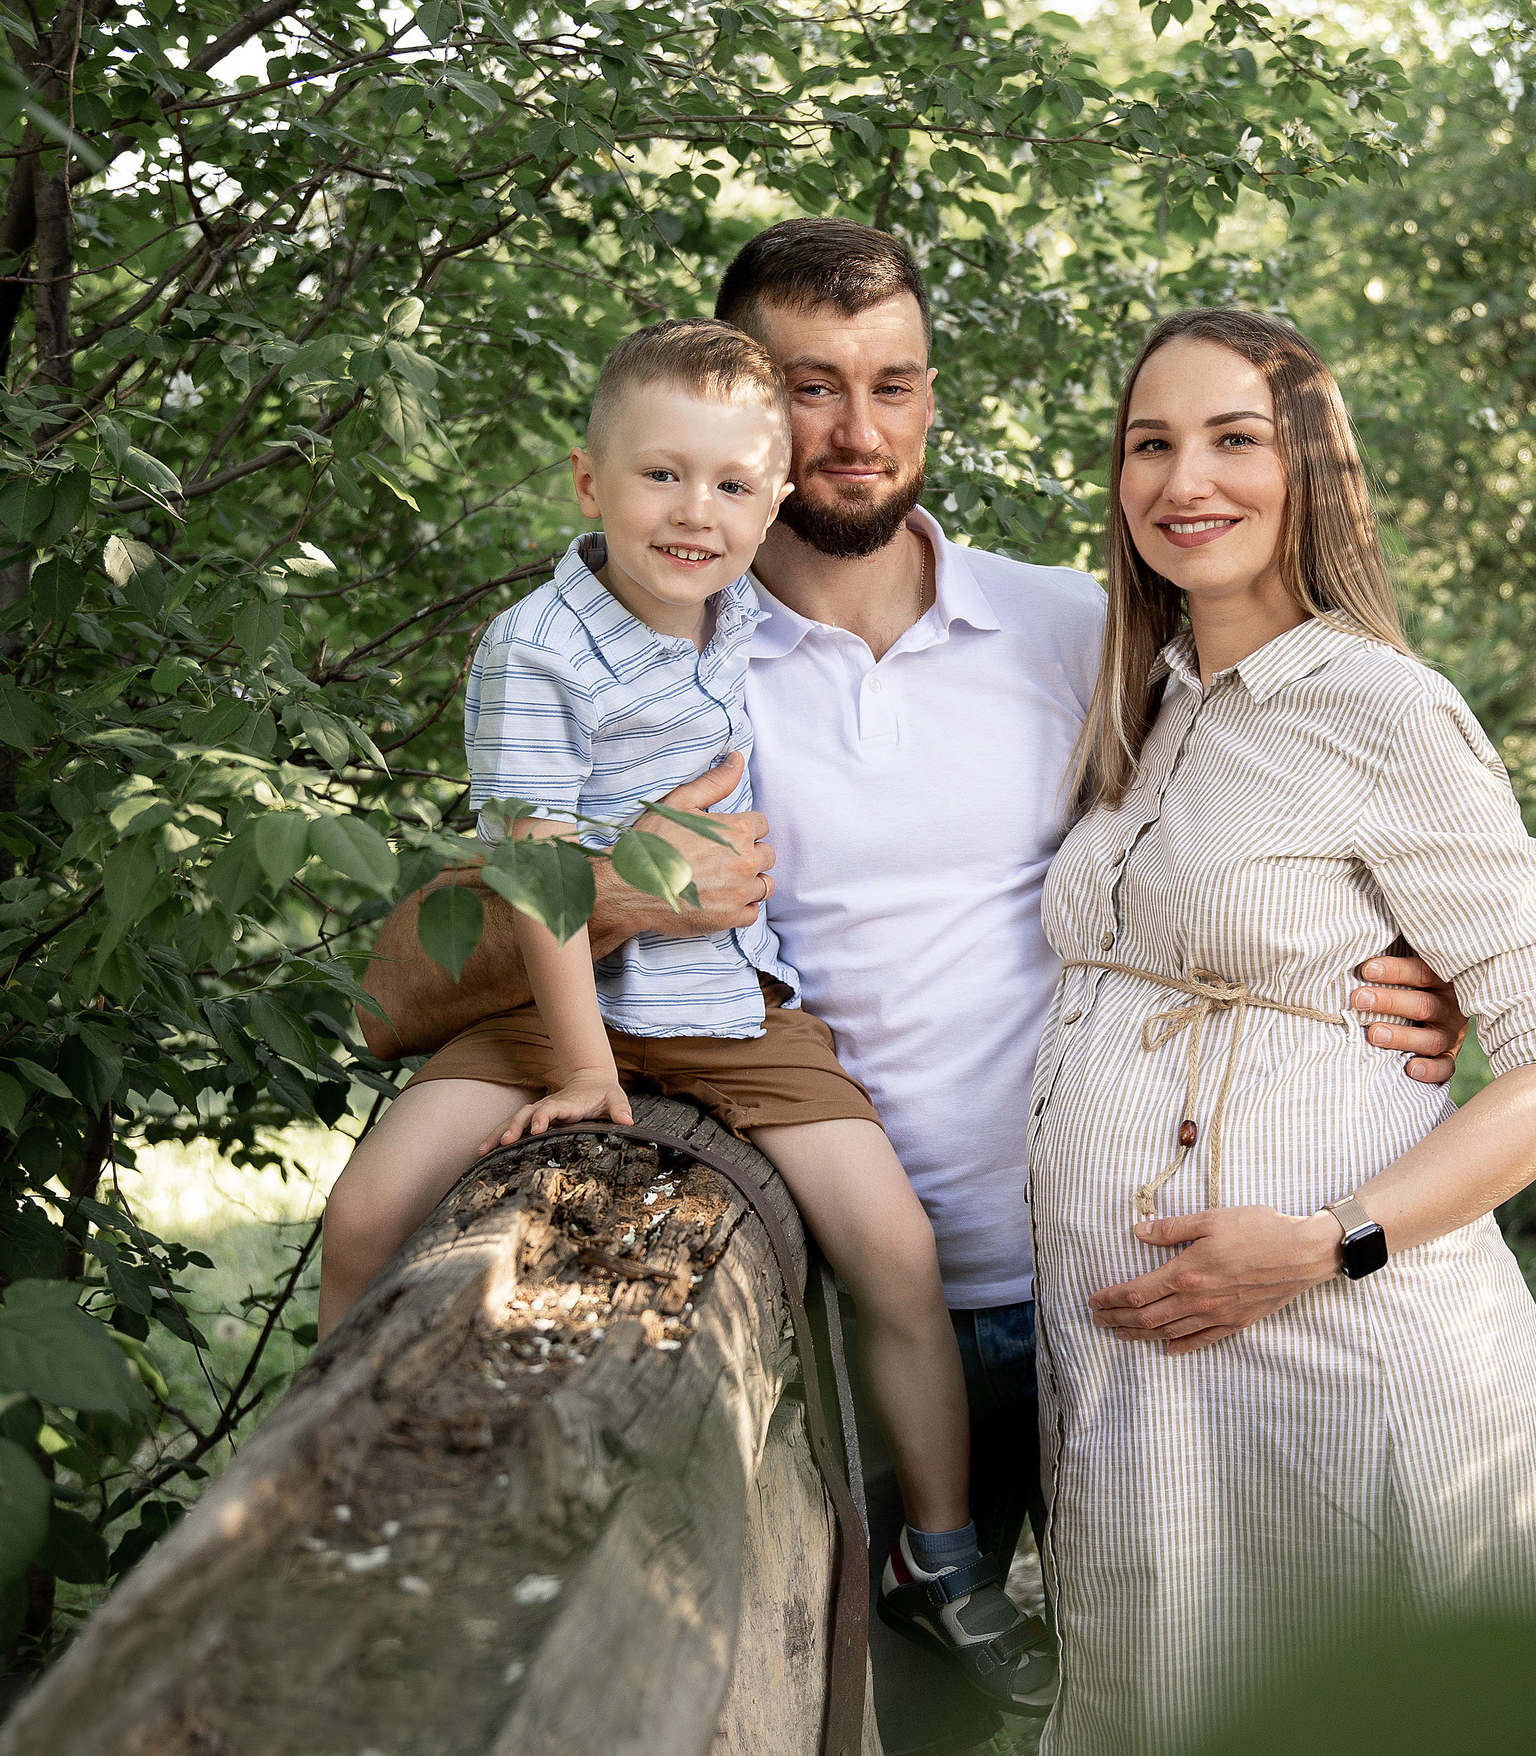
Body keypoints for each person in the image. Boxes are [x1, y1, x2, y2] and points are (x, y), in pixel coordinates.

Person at [353, 220, 1470, 1754]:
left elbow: (1275, 834)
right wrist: (615, 898)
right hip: (837, 1304)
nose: (859, 429)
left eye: (896, 383)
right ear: (743, 403)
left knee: (1222, 1690)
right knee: (900, 1718)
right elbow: (406, 977)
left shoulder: (1073, 631)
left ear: (935, 397)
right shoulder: (663, 647)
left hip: (1120, 1281)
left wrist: (1411, 967)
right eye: (811, 387)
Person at [320, 317, 1054, 1710]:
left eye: (730, 486)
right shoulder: (534, 650)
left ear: (772, 509)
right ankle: (345, 1492)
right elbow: (538, 881)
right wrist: (583, 1068)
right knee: (367, 1216)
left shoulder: (746, 621)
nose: (693, 514)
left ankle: (944, 1555)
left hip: (733, 1006)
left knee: (897, 1252)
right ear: (587, 480)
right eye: (661, 476)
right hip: (557, 1012)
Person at [1028, 308, 1536, 1755]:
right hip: (1159, 1380)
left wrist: (1325, 1243)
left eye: (1234, 439)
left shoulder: (1383, 707)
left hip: (1342, 1357)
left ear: (1310, 466)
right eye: (1150, 444)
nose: (1186, 480)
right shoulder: (1145, 707)